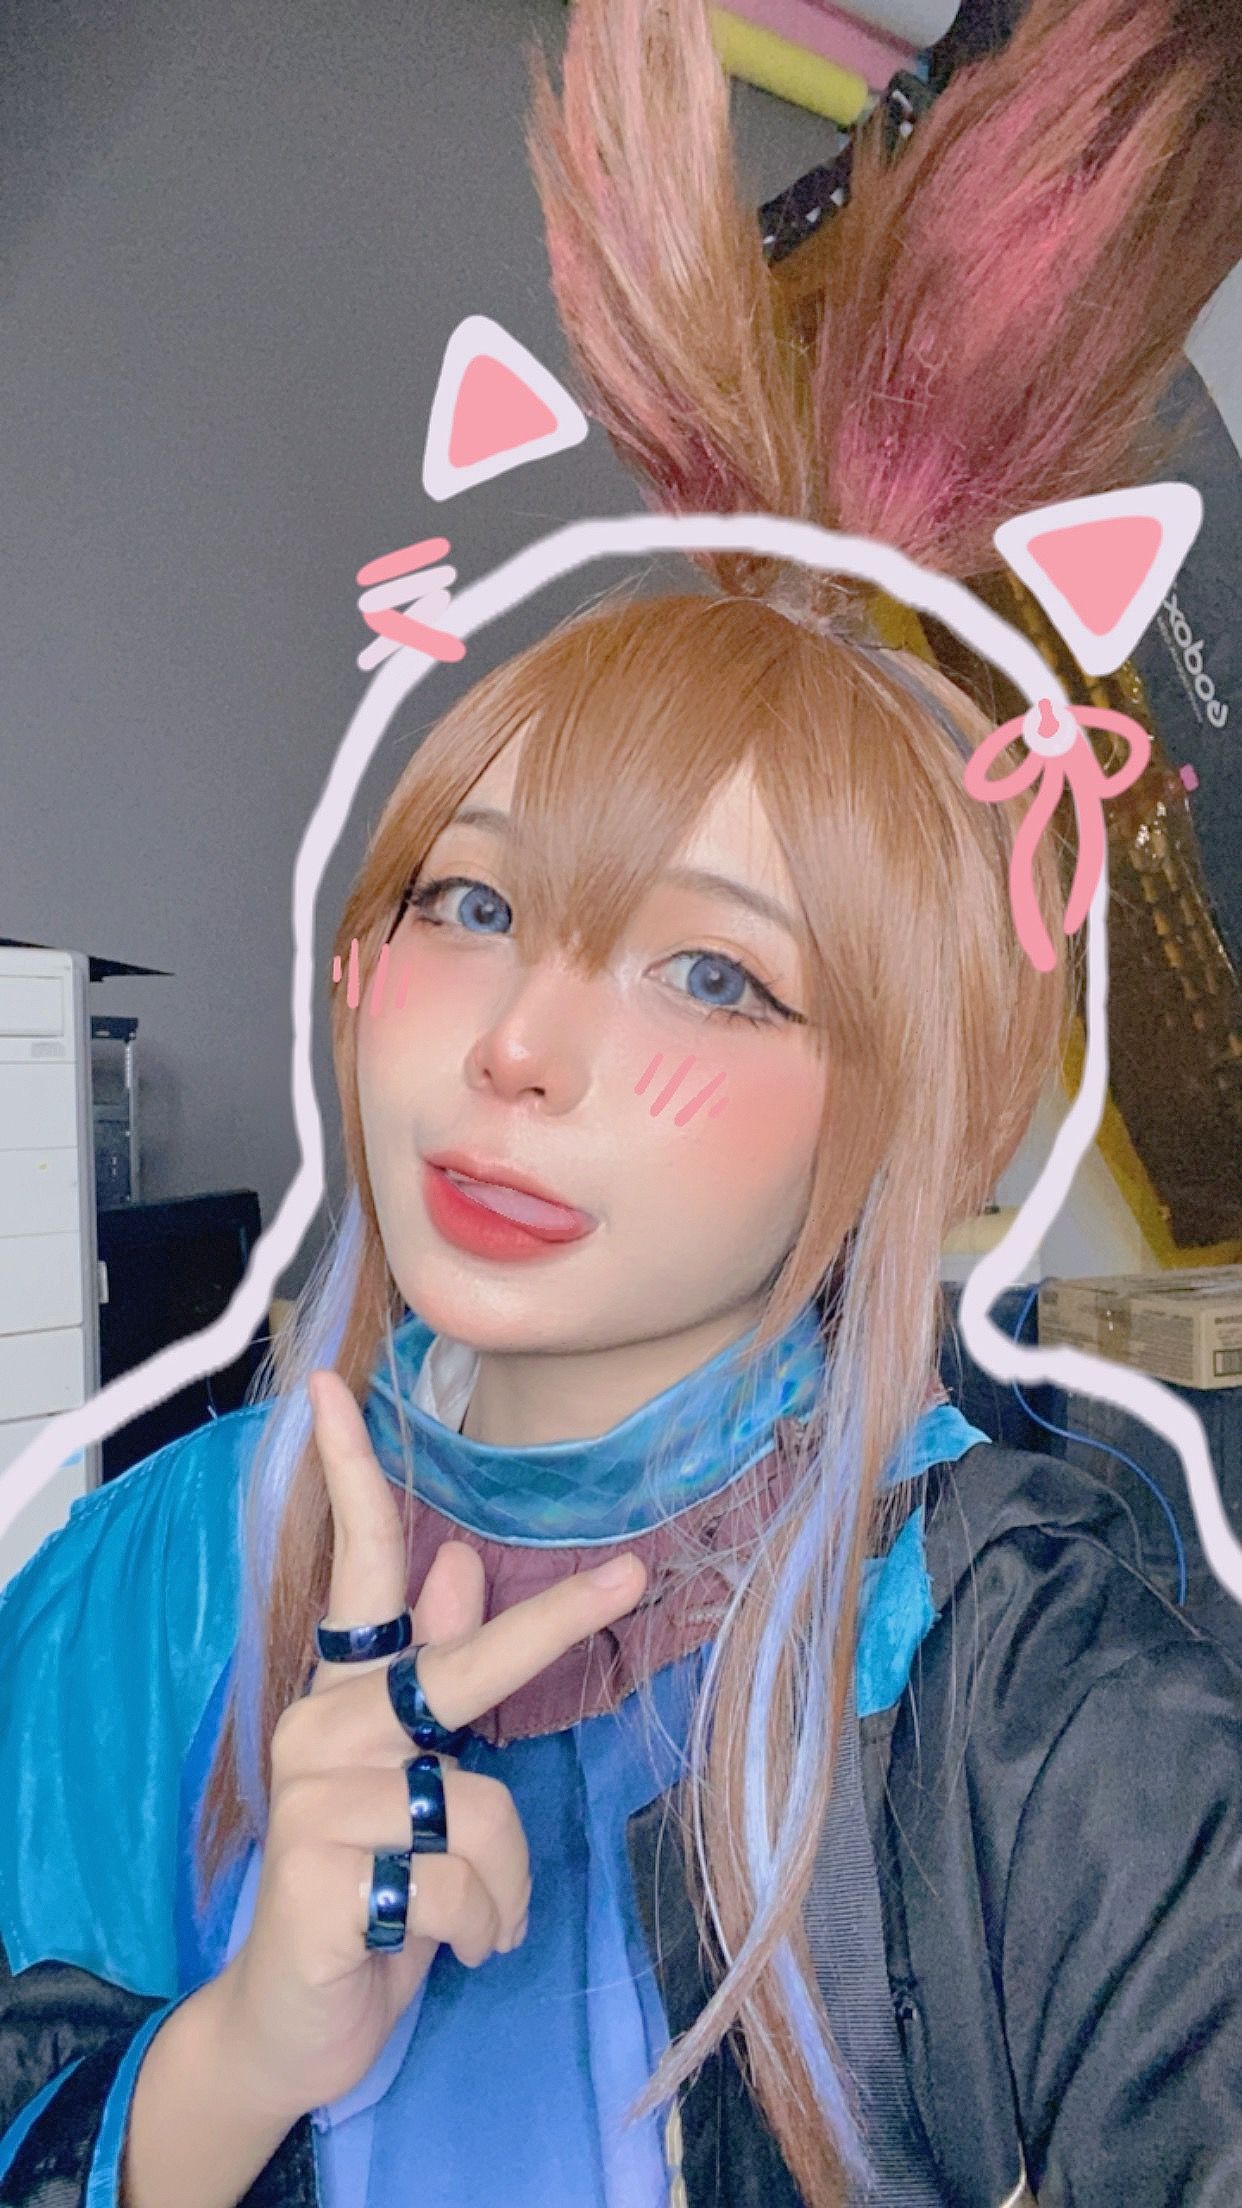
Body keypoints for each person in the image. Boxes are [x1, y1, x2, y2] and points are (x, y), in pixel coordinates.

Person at [3, 0, 1242, 2203]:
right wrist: (237, 2056)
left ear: (893, 1118)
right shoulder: (132, 1590)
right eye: (473, 904)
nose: (518, 1048)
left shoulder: (1027, 1673)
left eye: (712, 972)